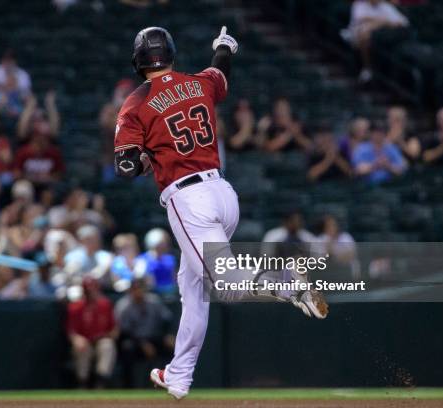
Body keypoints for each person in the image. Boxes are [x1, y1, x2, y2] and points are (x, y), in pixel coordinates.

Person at [114, 26, 328, 400]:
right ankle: (178, 377)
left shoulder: (136, 101)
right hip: (223, 193)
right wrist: (223, 46)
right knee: (192, 287)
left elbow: (126, 166)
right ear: (171, 53)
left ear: (138, 59)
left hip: (188, 199)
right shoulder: (199, 83)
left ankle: (286, 281)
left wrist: (148, 157)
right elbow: (221, 70)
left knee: (226, 285)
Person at [115, 278, 175, 388]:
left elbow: (167, 320)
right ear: (131, 291)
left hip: (154, 338)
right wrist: (142, 344)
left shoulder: (154, 301)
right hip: (134, 341)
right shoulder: (124, 306)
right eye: (135, 289)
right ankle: (129, 387)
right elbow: (124, 332)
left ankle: (170, 382)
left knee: (172, 347)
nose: (138, 292)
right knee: (127, 348)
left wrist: (168, 335)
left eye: (140, 289)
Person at [66, 277, 117, 388]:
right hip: (85, 341)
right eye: (87, 290)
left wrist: (108, 337)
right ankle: (82, 383)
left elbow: (114, 329)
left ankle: (101, 381)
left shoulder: (105, 304)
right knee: (82, 347)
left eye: (92, 290)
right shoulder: (75, 307)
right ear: (83, 291)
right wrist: (76, 339)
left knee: (107, 345)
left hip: (100, 340)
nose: (90, 293)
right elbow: (71, 331)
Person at [343, 0, 409, 83]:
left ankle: (378, 72)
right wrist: (384, 22)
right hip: (356, 36)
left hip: (380, 40)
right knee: (365, 34)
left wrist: (380, 22)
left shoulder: (385, 6)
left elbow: (403, 22)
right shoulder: (359, 5)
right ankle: (367, 68)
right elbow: (361, 20)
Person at [136, 228, 176, 294]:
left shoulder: (170, 258)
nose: (164, 246)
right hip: (153, 293)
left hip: (171, 293)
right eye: (161, 244)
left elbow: (174, 278)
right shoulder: (142, 259)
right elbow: (140, 278)